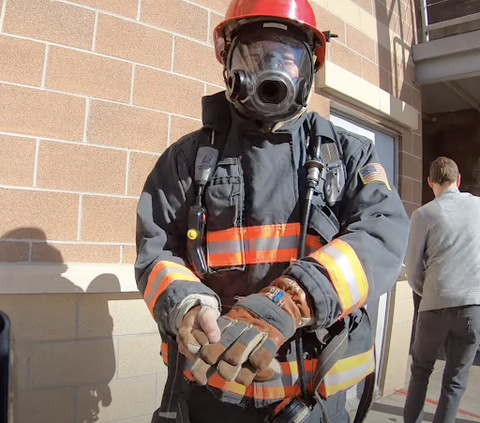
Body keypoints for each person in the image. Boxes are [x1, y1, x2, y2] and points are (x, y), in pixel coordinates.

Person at [135, 1, 409, 422]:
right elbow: (157, 251)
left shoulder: (349, 155)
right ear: (229, 65)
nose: (271, 70)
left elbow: (381, 234)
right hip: (216, 396)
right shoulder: (187, 160)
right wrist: (187, 305)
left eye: (286, 57)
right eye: (256, 56)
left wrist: (292, 300)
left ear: (307, 71)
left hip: (315, 402)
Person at [404, 156, 480, 423]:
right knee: (455, 381)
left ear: (430, 183)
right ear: (459, 180)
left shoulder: (423, 214)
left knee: (421, 371)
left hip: (434, 306)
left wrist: (429, 293)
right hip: (473, 307)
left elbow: (412, 268)